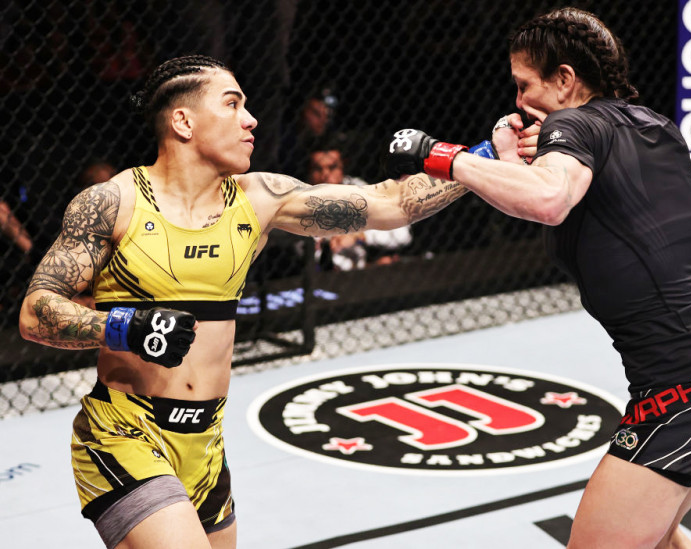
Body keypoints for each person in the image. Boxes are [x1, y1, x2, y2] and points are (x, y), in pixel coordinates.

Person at [18, 54, 468, 549]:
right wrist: (123, 327)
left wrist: (483, 160)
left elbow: (391, 203)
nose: (250, 119)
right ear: (183, 121)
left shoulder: (258, 199)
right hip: (124, 435)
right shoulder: (113, 202)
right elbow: (35, 311)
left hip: (207, 446)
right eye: (232, 104)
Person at [384, 8, 691, 548]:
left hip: (688, 386)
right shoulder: (652, 124)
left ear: (565, 79)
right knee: (659, 540)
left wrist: (440, 156)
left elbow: (548, 199)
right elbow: (576, 199)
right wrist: (513, 161)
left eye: (525, 85)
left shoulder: (576, 124)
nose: (518, 101)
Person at [305, 135, 413, 270]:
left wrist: (360, 236)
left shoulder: (357, 189)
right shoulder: (300, 198)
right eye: (318, 169)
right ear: (309, 172)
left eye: (332, 167)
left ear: (343, 167)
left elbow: (402, 233)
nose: (325, 175)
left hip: (358, 272)